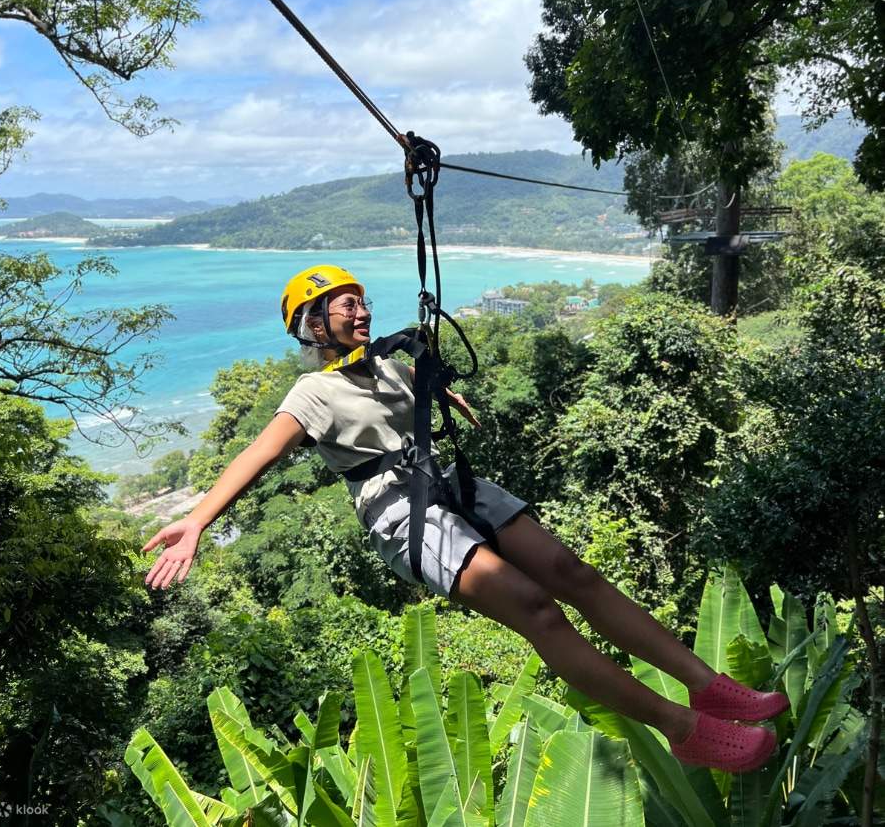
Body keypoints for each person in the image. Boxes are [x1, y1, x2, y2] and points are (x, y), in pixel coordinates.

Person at [142, 264, 787, 773]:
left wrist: (438, 389)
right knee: (537, 608)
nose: (359, 310)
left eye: (360, 300)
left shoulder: (388, 366)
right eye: (342, 304)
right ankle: (683, 730)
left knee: (570, 570)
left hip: (444, 481)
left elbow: (409, 398)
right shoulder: (311, 393)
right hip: (399, 509)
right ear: (311, 325)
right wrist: (198, 520)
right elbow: (259, 452)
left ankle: (709, 688)